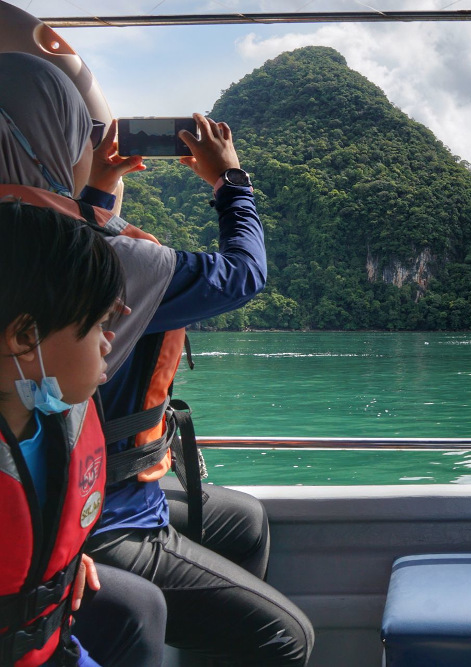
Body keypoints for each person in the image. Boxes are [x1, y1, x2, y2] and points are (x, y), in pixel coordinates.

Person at [0, 52, 314, 665]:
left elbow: (62, 229)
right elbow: (244, 274)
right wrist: (232, 184)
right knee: (287, 637)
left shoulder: (34, 246)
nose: (109, 335)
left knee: (245, 520)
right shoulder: (94, 263)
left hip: (94, 498)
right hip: (105, 513)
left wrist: (97, 187)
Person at [0, 201, 125, 667]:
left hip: (55, 643)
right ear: (25, 338)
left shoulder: (49, 417)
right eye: (97, 325)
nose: (108, 341)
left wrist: (56, 562)